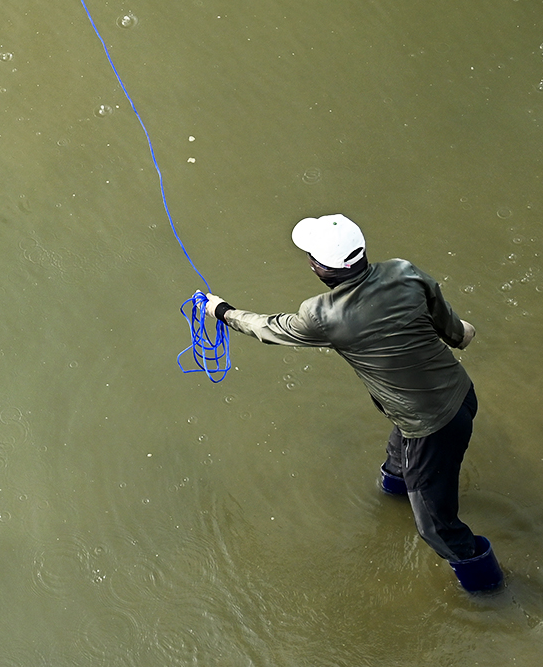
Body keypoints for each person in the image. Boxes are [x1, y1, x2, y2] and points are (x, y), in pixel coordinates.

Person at [200, 214, 504, 593]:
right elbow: (452, 328)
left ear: (319, 268)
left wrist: (222, 311)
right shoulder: (404, 272)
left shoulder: (323, 315)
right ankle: (395, 494)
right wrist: (458, 335)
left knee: (435, 529)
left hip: (430, 427)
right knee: (399, 459)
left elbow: (268, 328)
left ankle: (489, 588)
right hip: (459, 394)